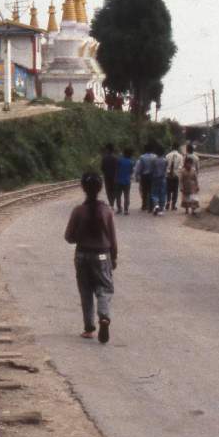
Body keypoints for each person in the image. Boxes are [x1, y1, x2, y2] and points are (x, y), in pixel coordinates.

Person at [64, 172, 118, 343]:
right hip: (102, 255)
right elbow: (112, 238)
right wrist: (113, 258)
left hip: (82, 255)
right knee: (104, 289)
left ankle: (88, 328)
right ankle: (104, 316)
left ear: (83, 188)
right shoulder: (106, 211)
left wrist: (81, 236)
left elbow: (69, 237)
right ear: (100, 188)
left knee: (85, 291)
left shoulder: (78, 211)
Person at [181, 143, 202, 215]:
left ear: (187, 149)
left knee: (186, 196)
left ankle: (187, 209)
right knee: (193, 197)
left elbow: (182, 166)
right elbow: (198, 168)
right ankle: (192, 209)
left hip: (186, 179)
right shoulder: (196, 157)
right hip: (193, 178)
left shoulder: (185, 157)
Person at [100, 143, 120, 213]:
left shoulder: (104, 158)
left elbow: (102, 168)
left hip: (107, 177)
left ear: (107, 149)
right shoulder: (115, 158)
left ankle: (111, 204)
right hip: (114, 177)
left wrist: (105, 172)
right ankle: (112, 203)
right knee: (114, 190)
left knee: (108, 190)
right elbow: (118, 168)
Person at [115, 147, 135, 215]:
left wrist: (115, 178)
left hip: (119, 180)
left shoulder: (119, 161)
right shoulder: (131, 162)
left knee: (118, 195)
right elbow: (131, 172)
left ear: (124, 153)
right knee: (126, 195)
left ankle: (119, 209)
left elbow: (116, 170)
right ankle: (126, 210)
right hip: (127, 181)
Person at [164, 143, 184, 211]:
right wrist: (175, 172)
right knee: (175, 190)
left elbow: (165, 166)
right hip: (176, 176)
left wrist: (168, 171)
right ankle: (173, 205)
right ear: (178, 148)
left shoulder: (167, 156)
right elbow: (181, 167)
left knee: (168, 190)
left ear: (172, 147)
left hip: (168, 176)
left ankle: (168, 202)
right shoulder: (180, 156)